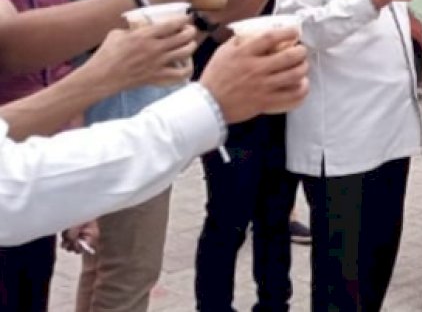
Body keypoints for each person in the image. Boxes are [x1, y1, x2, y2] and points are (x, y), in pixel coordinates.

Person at [274, 0, 422, 309]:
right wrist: (368, 0)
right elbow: (288, 30)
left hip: (389, 142)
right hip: (341, 149)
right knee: (342, 281)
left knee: (377, 266)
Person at [0, 24, 310, 246]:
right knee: (123, 280)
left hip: (110, 154)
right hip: (119, 144)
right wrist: (208, 104)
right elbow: (12, 189)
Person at [184, 0, 304, 310]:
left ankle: (275, 303)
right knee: (228, 218)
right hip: (227, 106)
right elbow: (209, 31)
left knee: (276, 217)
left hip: (283, 101)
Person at [64, 0, 179, 310]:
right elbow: (92, 48)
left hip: (122, 134)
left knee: (104, 268)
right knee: (129, 277)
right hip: (125, 137)